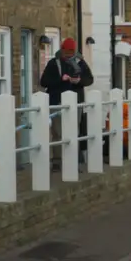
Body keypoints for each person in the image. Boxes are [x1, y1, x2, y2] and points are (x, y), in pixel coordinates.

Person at [41, 38, 95, 167]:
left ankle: (72, 162)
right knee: (58, 133)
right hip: (56, 102)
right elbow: (44, 82)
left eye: (72, 51)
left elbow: (89, 79)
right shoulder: (53, 63)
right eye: (67, 51)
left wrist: (79, 81)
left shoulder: (80, 62)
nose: (69, 54)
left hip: (76, 102)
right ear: (62, 49)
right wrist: (61, 79)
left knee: (73, 132)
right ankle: (58, 162)